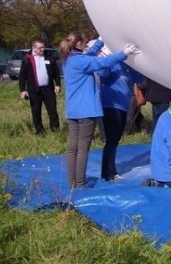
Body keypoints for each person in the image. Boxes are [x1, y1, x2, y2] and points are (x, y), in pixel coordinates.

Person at [60, 33, 140, 188]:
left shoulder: (68, 60)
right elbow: (104, 62)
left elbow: (89, 54)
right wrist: (124, 54)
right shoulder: (83, 61)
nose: (86, 46)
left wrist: (101, 40)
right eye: (84, 43)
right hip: (86, 110)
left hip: (72, 110)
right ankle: (80, 183)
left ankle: (72, 183)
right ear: (78, 45)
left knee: (72, 149)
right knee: (83, 148)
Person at [97, 45, 145, 181]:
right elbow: (101, 74)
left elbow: (140, 79)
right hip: (110, 105)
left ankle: (108, 171)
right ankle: (108, 172)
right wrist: (107, 57)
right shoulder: (112, 63)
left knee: (116, 139)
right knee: (111, 139)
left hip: (123, 106)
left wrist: (137, 62)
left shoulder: (127, 65)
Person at [18, 40, 61, 135]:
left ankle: (55, 131)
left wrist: (57, 84)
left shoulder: (49, 56)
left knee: (52, 111)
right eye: (40, 47)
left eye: (43, 47)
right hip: (34, 90)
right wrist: (23, 90)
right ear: (33, 48)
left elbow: (56, 72)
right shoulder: (27, 58)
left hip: (48, 89)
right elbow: (22, 76)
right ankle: (40, 131)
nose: (42, 49)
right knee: (36, 112)